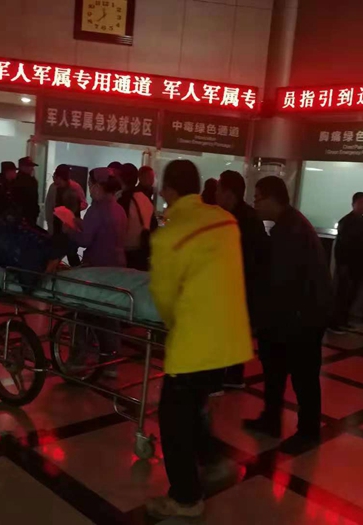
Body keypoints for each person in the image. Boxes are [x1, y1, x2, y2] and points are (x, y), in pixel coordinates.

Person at [146, 160, 252, 519]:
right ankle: (212, 460)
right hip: (230, 342)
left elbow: (164, 297)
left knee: (173, 420)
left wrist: (175, 325)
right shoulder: (226, 221)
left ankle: (186, 498)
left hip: (194, 345)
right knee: (193, 407)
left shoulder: (170, 235)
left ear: (168, 191)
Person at [243, 176, 334, 455]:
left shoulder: (291, 230)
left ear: (272, 198)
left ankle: (308, 432)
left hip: (301, 318)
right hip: (292, 316)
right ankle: (271, 419)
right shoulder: (288, 224)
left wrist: (263, 317)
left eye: (258, 198)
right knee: (275, 370)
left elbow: (282, 282)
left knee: (303, 376)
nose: (255, 203)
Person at [215, 170, 269, 389]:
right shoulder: (247, 216)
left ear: (229, 193)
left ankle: (221, 379)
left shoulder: (236, 219)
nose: (216, 194)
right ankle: (233, 376)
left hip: (237, 285)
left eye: (219, 189)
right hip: (245, 286)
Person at [66, 168, 127, 268]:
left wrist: (70, 231)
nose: (90, 190)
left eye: (90, 184)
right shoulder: (120, 209)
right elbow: (103, 232)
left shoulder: (96, 209)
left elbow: (85, 240)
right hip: (118, 264)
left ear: (97, 187)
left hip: (97, 265)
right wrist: (82, 223)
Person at [330, 192, 363, 332]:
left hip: (359, 265)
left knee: (352, 294)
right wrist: (342, 265)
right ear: (353, 204)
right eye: (361, 202)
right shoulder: (346, 221)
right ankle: (334, 322)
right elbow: (341, 246)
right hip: (347, 265)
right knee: (341, 294)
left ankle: (343, 319)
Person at [117, 163, 157, 271]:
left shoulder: (120, 198)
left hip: (124, 252)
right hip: (142, 252)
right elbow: (153, 225)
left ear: (120, 179)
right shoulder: (145, 198)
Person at [45, 164, 86, 267]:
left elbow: (83, 203)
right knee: (58, 255)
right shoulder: (53, 187)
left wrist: (70, 212)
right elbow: (49, 207)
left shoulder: (74, 187)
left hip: (68, 228)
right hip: (57, 228)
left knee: (70, 254)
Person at [13, 156, 40, 225]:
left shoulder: (14, 180)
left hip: (18, 216)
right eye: (29, 166)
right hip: (27, 216)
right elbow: (32, 200)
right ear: (22, 167)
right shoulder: (30, 181)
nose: (32, 169)